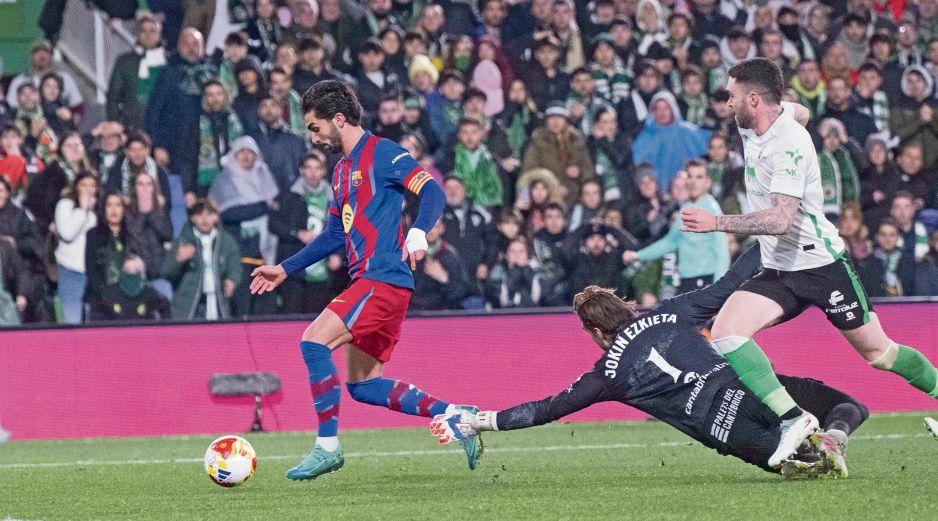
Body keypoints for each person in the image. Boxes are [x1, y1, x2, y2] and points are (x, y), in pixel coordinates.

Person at [681, 58, 938, 469]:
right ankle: (794, 418)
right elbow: (798, 110)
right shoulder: (756, 121)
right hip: (780, 270)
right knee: (727, 333)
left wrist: (717, 223)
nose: (727, 104)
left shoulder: (789, 145)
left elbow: (780, 219)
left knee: (880, 354)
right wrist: (792, 110)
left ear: (752, 98)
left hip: (820, 265)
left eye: (731, 95)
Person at [431, 246, 868, 478]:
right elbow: (734, 279)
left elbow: (547, 409)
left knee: (806, 470)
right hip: (752, 392)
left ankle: (811, 452)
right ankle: (834, 436)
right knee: (848, 407)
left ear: (595, 332)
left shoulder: (609, 373)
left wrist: (481, 421)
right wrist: (774, 237)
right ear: (624, 306)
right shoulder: (673, 311)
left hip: (726, 433)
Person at [247, 80, 479, 480]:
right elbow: (335, 236)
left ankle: (327, 447)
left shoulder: (384, 153)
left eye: (316, 127)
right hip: (375, 282)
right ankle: (458, 416)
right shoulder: (340, 172)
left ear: (339, 119)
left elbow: (433, 192)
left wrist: (420, 231)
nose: (313, 136)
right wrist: (285, 268)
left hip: (382, 277)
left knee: (313, 342)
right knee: (363, 385)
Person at [623, 159, 730, 294]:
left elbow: (722, 250)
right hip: (686, 280)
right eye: (690, 176)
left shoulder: (711, 208)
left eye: (699, 177)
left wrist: (718, 290)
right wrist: (638, 255)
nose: (693, 182)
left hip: (705, 280)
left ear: (708, 182)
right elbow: (670, 242)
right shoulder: (685, 208)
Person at [209, 136, 278, 317]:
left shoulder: (264, 175)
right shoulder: (224, 180)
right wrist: (262, 206)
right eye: (242, 152)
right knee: (242, 306)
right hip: (239, 252)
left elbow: (276, 208)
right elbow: (227, 214)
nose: (246, 157)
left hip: (265, 253)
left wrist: (264, 208)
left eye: (251, 153)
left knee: (265, 309)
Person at [269, 150, 342, 314]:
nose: (313, 173)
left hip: (323, 273)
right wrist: (297, 233)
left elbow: (344, 228)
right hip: (294, 271)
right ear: (301, 170)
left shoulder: (335, 198)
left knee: (317, 324)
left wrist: (338, 253)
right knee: (292, 321)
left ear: (324, 170)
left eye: (317, 168)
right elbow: (274, 224)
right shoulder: (289, 195)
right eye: (308, 168)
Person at [160, 199, 241, 320]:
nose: (204, 219)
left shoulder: (226, 242)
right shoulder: (182, 242)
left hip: (218, 302)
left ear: (216, 217)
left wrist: (232, 281)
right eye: (199, 214)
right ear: (192, 218)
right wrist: (178, 260)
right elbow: (166, 273)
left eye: (209, 214)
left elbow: (235, 266)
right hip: (190, 306)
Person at [106, 15, 166, 131]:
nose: (148, 35)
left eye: (152, 31)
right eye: (143, 31)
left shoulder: (170, 63)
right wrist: (115, 123)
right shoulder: (125, 62)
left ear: (160, 35)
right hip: (132, 125)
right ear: (137, 35)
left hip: (164, 126)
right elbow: (113, 95)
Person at [54, 172, 99, 324]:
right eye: (84, 185)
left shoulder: (99, 209)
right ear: (76, 187)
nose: (88, 189)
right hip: (70, 270)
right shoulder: (65, 205)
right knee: (71, 322)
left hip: (94, 272)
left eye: (92, 186)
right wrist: (82, 210)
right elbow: (67, 233)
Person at [410, 219, 470, 311]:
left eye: (434, 226)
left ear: (441, 228)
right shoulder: (411, 254)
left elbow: (460, 291)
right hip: (415, 312)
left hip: (442, 313)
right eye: (427, 227)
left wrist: (443, 279)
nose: (430, 231)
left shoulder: (450, 255)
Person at [859, 219, 916, 297]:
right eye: (883, 235)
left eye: (892, 235)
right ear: (877, 237)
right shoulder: (866, 263)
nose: (888, 239)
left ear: (898, 237)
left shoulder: (910, 261)